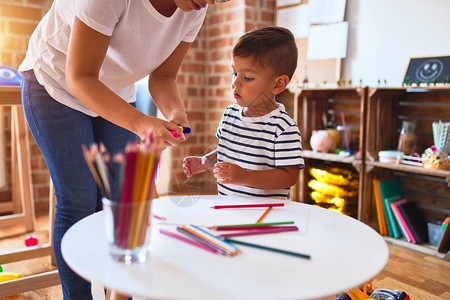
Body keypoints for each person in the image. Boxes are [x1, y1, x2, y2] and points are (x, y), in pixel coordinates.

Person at [18, 0, 216, 298]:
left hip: (115, 91)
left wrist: (176, 113)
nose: (213, 1)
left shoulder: (196, 7)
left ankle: (121, 292)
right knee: (79, 199)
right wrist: (140, 124)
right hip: (56, 83)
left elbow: (164, 77)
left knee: (124, 200)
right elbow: (80, 78)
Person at [183, 26, 304, 199]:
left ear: (278, 84)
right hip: (229, 207)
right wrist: (206, 161)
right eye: (234, 73)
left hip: (266, 214)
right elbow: (227, 150)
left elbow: (289, 176)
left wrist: (245, 176)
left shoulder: (283, 127)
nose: (235, 83)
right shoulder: (230, 114)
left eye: (247, 77)